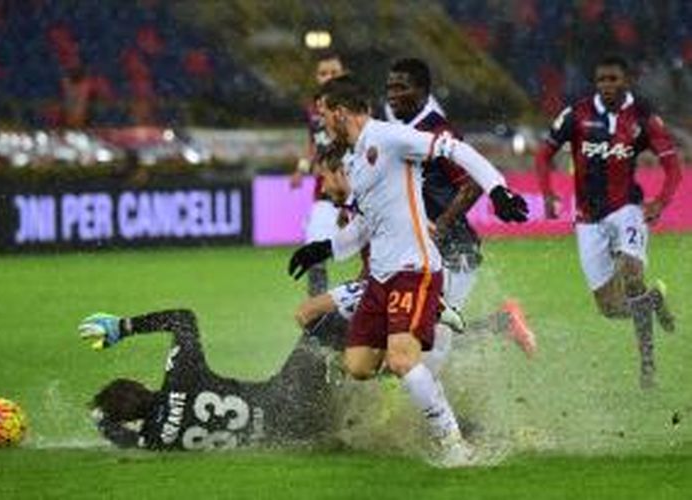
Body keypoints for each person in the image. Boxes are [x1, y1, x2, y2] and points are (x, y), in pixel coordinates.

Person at [287, 75, 529, 466]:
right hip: (379, 278)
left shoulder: (390, 137)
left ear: (340, 112)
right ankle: (434, 325)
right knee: (359, 366)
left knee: (402, 361)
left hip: (414, 268)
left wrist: (498, 189)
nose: (322, 125)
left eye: (324, 115)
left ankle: (453, 442)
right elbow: (367, 224)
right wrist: (324, 248)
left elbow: (456, 150)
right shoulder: (353, 158)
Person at [534, 54, 682, 389]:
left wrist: (660, 202)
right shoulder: (577, 114)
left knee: (632, 273)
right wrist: (547, 194)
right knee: (611, 308)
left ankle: (647, 365)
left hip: (626, 207)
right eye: (601, 80)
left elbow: (673, 167)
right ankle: (653, 301)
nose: (607, 86)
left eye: (613, 79)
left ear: (626, 80)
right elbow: (543, 154)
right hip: (587, 218)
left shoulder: (643, 117)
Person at [382, 57, 536, 361]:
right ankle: (502, 325)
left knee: (435, 340)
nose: (392, 94)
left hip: (453, 249)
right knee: (429, 332)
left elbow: (473, 183)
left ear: (424, 91)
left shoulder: (437, 131)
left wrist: (440, 225)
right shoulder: (403, 131)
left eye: (401, 87)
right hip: (420, 250)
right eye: (389, 87)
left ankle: (432, 406)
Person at [79, 309, 339, 449]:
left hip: (291, 437)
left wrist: (102, 419)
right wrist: (124, 327)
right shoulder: (181, 379)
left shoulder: (156, 440)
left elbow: (127, 441)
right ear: (142, 385)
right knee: (326, 322)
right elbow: (182, 319)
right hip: (293, 396)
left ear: (132, 421)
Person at [291, 52, 348, 297]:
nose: (328, 77)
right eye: (323, 73)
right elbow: (313, 145)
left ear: (343, 75)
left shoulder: (356, 107)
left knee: (378, 258)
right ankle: (317, 323)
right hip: (326, 193)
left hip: (359, 191)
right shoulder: (315, 111)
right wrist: (302, 168)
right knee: (314, 254)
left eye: (333, 72)